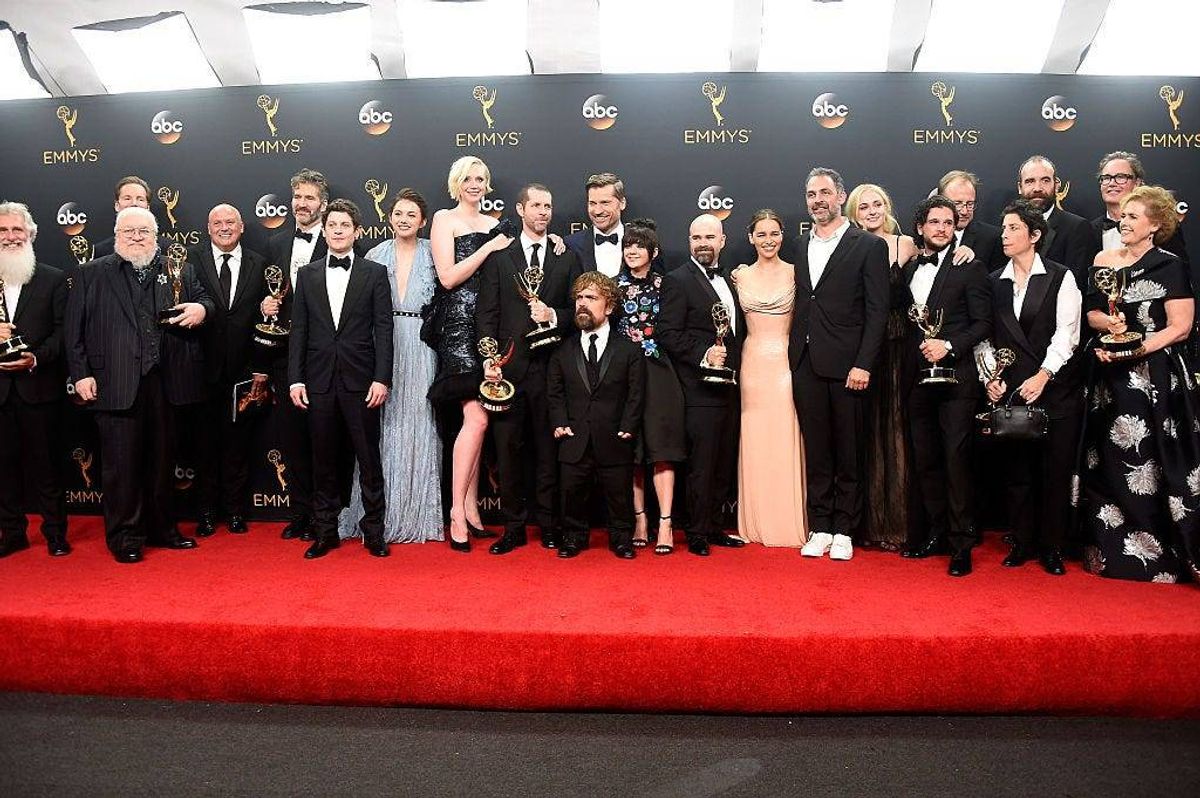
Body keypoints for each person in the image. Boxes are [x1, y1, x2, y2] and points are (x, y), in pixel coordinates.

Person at [66, 206, 212, 563]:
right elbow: (74, 332)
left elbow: (206, 300)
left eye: (144, 232)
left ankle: (164, 529)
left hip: (166, 383)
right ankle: (125, 536)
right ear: (116, 236)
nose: (136, 237)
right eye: (128, 231)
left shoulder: (179, 268)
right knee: (120, 466)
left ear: (156, 236)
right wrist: (81, 373)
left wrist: (202, 310)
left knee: (163, 462)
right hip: (114, 382)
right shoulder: (91, 273)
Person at [1080, 185, 1200, 583]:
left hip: (1155, 379)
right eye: (1123, 217)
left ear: (1155, 225)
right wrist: (1108, 328)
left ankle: (1167, 553)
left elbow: (1181, 328)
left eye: (1133, 217)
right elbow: (1094, 312)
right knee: (1109, 463)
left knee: (1153, 460)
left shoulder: (1170, 264)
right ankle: (1117, 552)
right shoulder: (1104, 260)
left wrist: (1135, 349)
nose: (1123, 222)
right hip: (1109, 378)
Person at [790, 168, 888, 562]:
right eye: (811, 194)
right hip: (806, 361)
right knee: (817, 451)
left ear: (840, 196)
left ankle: (846, 528)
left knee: (849, 451)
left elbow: (878, 311)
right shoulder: (798, 245)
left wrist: (864, 363)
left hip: (849, 366)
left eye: (825, 193)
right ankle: (820, 526)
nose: (818, 200)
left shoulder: (867, 246)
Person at [476, 183, 580, 554]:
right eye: (535, 205)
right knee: (508, 452)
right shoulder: (501, 258)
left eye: (548, 206)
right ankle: (514, 527)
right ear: (520, 210)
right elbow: (486, 313)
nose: (543, 212)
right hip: (508, 372)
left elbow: (580, 312)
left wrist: (553, 314)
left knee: (549, 454)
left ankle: (550, 526)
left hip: (554, 371)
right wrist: (489, 358)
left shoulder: (566, 256)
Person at [981, 199, 1082, 575]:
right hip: (1013, 392)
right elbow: (985, 337)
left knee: (1054, 472)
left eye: (1013, 229)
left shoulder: (1060, 276)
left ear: (1034, 235)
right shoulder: (994, 282)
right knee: (1017, 473)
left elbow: (1067, 334)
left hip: (1054, 389)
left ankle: (1052, 548)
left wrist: (1043, 375)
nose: (1004, 235)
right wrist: (990, 376)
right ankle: (1021, 543)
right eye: (1004, 228)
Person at [337, 189, 444, 544]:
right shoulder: (374, 254)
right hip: (379, 344)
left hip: (423, 344)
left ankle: (417, 515)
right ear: (389, 217)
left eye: (411, 215)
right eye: (398, 213)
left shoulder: (434, 253)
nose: (403, 219)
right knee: (379, 430)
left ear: (423, 221)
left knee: (420, 423)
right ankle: (375, 516)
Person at [288, 199, 393, 560]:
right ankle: (325, 531)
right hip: (317, 382)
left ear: (356, 232)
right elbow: (298, 330)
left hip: (362, 381)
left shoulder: (375, 273)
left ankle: (374, 531)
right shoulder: (307, 274)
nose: (336, 230)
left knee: (368, 459)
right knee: (324, 460)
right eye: (332, 224)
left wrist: (382, 378)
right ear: (324, 228)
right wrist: (295, 379)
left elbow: (384, 328)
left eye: (344, 225)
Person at [899, 197, 991, 577]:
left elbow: (983, 323)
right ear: (920, 227)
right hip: (917, 378)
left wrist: (949, 346)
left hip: (957, 380)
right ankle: (936, 532)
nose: (941, 228)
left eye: (948, 222)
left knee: (956, 461)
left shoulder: (970, 266)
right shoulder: (907, 270)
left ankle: (961, 544)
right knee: (926, 460)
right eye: (934, 222)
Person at [427, 156, 514, 551]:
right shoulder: (445, 219)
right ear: (456, 182)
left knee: (481, 421)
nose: (475, 184)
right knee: (476, 418)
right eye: (468, 178)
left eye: (481, 178)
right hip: (458, 327)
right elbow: (447, 277)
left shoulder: (496, 225)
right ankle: (456, 512)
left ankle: (472, 507)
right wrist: (490, 248)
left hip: (488, 329)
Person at [659, 214, 746, 556]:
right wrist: (704, 353)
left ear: (722, 240)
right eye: (696, 237)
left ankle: (714, 526)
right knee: (702, 463)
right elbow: (668, 333)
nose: (702, 243)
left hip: (731, 387)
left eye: (709, 236)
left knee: (723, 460)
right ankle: (695, 531)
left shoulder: (732, 280)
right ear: (689, 241)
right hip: (698, 389)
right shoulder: (677, 280)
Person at [547, 272, 645, 559]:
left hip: (614, 435)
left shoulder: (628, 350)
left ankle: (621, 539)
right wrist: (559, 422)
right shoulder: (562, 350)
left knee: (618, 493)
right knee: (572, 492)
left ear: (610, 307)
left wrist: (629, 425)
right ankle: (574, 537)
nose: (582, 304)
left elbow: (636, 392)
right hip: (573, 436)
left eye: (591, 298)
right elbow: (555, 392)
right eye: (579, 297)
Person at [845, 183, 918, 551]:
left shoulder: (902, 245)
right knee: (865, 435)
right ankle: (867, 525)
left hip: (896, 347)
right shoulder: (847, 248)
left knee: (895, 432)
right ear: (853, 212)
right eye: (863, 206)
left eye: (877, 204)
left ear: (887, 207)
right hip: (860, 349)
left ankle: (897, 524)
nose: (871, 211)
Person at [262, 168, 332, 541]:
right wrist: (266, 304)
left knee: (323, 438)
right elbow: (271, 293)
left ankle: (328, 515)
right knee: (292, 437)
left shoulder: (339, 240)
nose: (301, 204)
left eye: (308, 198)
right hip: (285, 355)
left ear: (322, 203)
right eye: (297, 197)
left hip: (325, 356)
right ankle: (301, 512)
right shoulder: (275, 243)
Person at [190, 203, 267, 537]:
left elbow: (266, 320)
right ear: (208, 228)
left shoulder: (259, 264)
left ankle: (235, 511)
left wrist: (260, 370)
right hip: (199, 370)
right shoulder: (191, 261)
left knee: (238, 446)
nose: (224, 227)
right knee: (203, 445)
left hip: (242, 371)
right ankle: (206, 512)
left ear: (242, 227)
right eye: (217, 222)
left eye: (230, 222)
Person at [732, 209, 808, 548]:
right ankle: (755, 522)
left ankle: (789, 523)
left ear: (782, 236)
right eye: (761, 234)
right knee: (756, 438)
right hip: (752, 366)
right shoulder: (740, 276)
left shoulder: (797, 273)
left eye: (773, 234)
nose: (768, 240)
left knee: (786, 437)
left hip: (786, 365)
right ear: (750, 238)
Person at [0, 201, 69, 558]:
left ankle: (55, 532)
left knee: (47, 466)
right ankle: (12, 532)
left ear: (31, 234)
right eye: (3, 231)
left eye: (17, 230)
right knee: (3, 468)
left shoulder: (54, 279)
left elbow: (64, 334)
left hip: (39, 388)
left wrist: (36, 358)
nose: (10, 237)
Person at [614, 220, 685, 555]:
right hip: (624, 375)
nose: (632, 250)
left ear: (653, 252)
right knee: (632, 450)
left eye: (639, 245)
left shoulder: (668, 285)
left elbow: (673, 330)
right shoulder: (612, 288)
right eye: (628, 245)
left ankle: (666, 522)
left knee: (662, 448)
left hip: (659, 372)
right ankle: (640, 519)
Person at [1091, 152, 1189, 269]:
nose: (1112, 183)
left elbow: (1180, 274)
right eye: (1106, 178)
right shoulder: (1089, 230)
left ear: (1137, 183)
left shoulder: (1162, 226)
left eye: (1120, 177)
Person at [1017, 155, 1101, 289]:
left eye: (1045, 181)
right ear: (1020, 187)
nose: (1037, 188)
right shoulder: (1009, 229)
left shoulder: (1077, 228)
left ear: (1057, 186)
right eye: (1030, 181)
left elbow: (1077, 284)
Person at [938, 170, 1006, 270]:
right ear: (940, 202)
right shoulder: (927, 236)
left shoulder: (993, 239)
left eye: (970, 204)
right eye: (957, 204)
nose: (965, 211)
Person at [565, 172, 627, 278]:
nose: (597, 211)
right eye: (592, 203)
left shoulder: (641, 242)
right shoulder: (571, 244)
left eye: (605, 203)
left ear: (622, 203)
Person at [91, 176, 157, 259]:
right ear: (117, 206)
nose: (134, 203)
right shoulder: (101, 250)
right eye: (127, 198)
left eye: (140, 199)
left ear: (148, 207)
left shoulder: (168, 247)